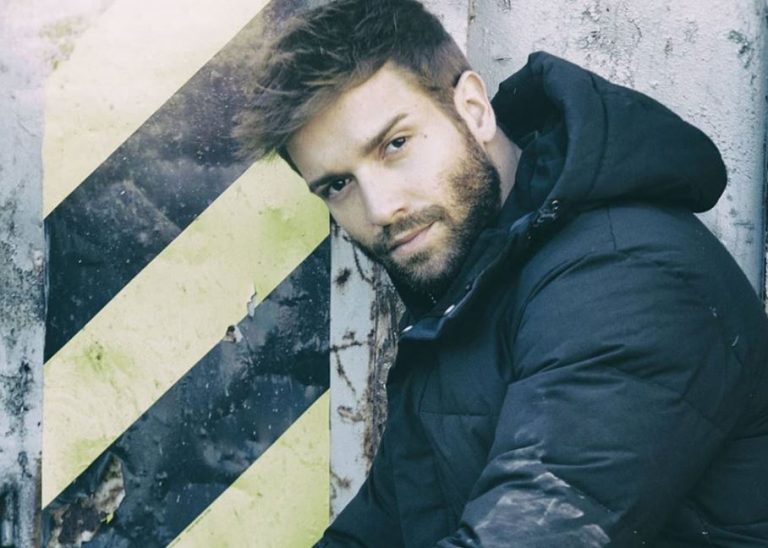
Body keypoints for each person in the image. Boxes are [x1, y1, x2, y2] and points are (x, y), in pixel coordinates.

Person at [236, 0, 768, 545]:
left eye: (395, 145)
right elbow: (378, 530)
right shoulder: (477, 293)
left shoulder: (629, 277)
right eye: (338, 185)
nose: (380, 208)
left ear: (473, 108)